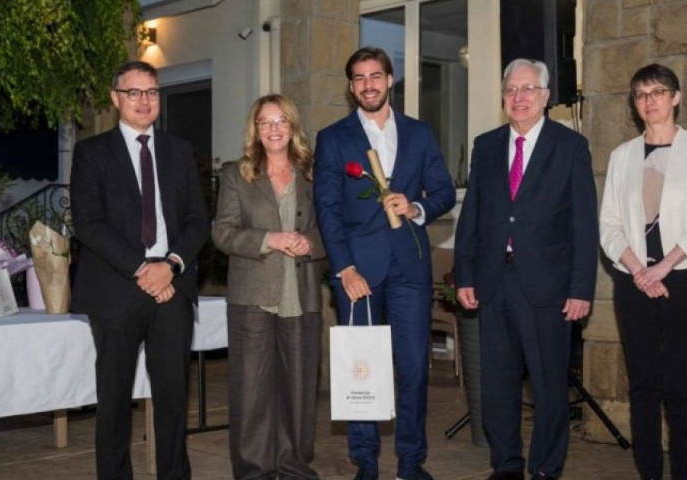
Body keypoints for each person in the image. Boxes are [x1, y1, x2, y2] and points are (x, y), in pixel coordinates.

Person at [314, 46, 456, 480]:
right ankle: (366, 464)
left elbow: (444, 193)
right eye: (358, 78)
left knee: (413, 370)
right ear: (351, 86)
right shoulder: (334, 139)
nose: (368, 84)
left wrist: (415, 207)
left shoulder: (419, 134)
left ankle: (411, 463)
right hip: (358, 273)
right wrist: (345, 269)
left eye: (375, 75)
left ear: (390, 80)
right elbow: (328, 211)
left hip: (409, 269)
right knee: (362, 369)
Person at [453, 58, 598, 480]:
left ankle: (547, 467)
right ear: (503, 97)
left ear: (546, 96)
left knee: (550, 384)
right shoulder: (486, 145)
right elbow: (473, 217)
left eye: (528, 89)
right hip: (494, 281)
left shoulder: (570, 147)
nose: (519, 98)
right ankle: (506, 464)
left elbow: (584, 225)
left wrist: (581, 288)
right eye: (511, 90)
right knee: (497, 384)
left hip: (548, 286)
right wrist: (465, 274)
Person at [70, 60, 209, 480]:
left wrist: (169, 266)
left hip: (172, 289)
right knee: (114, 402)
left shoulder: (179, 150)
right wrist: (142, 269)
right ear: (116, 99)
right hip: (116, 291)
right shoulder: (92, 152)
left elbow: (198, 221)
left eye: (151, 91)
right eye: (134, 93)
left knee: (172, 399)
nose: (145, 101)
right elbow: (89, 224)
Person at [598, 64, 687, 480]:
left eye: (657, 92)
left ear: (676, 97)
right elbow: (610, 225)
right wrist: (639, 269)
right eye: (640, 94)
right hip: (634, 281)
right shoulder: (622, 156)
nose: (649, 101)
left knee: (681, 387)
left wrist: (664, 266)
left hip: (686, 278)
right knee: (644, 386)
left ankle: (684, 474)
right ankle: (649, 474)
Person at [211, 94, 326, 480]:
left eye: (281, 121)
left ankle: (293, 468)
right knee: (251, 393)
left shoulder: (314, 174)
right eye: (265, 122)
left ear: (293, 127)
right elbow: (223, 233)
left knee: (299, 392)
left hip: (302, 294)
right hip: (252, 297)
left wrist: (311, 242)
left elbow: (333, 229)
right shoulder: (236, 175)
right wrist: (270, 240)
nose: (273, 129)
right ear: (255, 130)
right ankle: (254, 471)